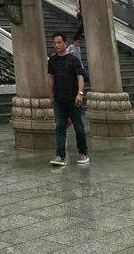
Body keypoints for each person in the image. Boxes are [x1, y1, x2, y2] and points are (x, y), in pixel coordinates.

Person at [48, 32, 89, 166]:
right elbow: (51, 78)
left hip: (74, 99)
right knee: (60, 126)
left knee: (79, 127)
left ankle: (83, 153)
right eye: (55, 43)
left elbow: (80, 77)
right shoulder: (52, 61)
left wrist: (80, 93)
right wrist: (51, 95)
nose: (57, 45)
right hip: (59, 100)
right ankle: (60, 156)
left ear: (65, 43)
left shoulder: (73, 59)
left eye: (59, 42)